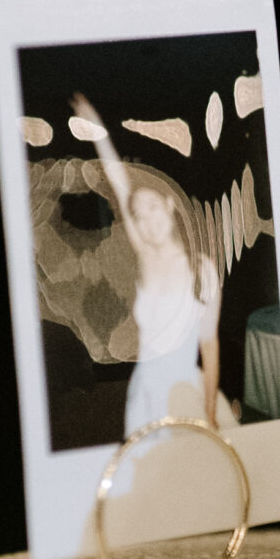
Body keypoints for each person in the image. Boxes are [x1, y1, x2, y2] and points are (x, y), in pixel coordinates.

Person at [69, 94, 221, 433]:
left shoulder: (203, 269)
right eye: (139, 214)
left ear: (169, 206)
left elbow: (209, 345)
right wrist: (98, 132)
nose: (147, 220)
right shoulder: (147, 257)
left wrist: (210, 409)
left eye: (152, 207)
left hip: (185, 389)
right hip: (144, 387)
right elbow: (120, 186)